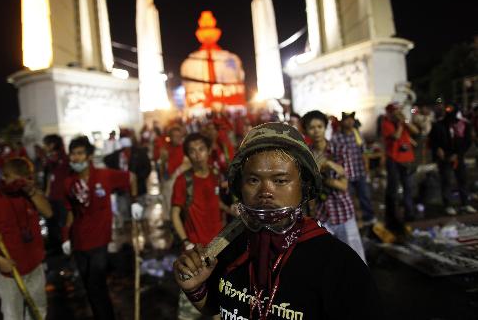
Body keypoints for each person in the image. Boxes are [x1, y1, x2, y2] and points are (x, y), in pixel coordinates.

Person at [173, 122, 382, 319]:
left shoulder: (337, 264)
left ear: (304, 187)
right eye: (253, 180)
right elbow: (221, 307)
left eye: (280, 180)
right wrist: (196, 289)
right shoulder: (229, 250)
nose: (265, 192)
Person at [62, 136, 142, 320]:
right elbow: (70, 212)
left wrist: (135, 202)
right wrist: (66, 236)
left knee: (96, 283)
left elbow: (131, 178)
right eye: (73, 154)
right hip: (79, 241)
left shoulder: (104, 175)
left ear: (89, 155)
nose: (76, 158)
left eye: (80, 153)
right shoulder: (68, 183)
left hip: (99, 239)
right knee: (88, 286)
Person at [0, 157, 53, 319]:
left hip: (35, 267)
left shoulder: (29, 194)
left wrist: (32, 192)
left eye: (26, 178)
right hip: (8, 273)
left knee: (38, 312)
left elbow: (48, 213)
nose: (21, 183)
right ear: (4, 177)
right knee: (14, 316)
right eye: (15, 179)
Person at [171, 132, 233, 320]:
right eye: (192, 151)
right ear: (187, 155)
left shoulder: (215, 175)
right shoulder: (183, 180)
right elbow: (174, 214)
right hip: (196, 251)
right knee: (190, 305)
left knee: (219, 301)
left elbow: (216, 203)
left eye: (201, 149)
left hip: (219, 247)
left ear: (208, 152)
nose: (197, 154)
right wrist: (186, 242)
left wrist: (231, 211)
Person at [303, 111, 366, 262]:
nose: (316, 130)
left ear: (325, 128)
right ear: (306, 130)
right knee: (330, 259)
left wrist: (326, 169)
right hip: (321, 214)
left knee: (355, 257)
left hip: (342, 211)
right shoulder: (306, 155)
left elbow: (344, 185)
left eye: (320, 126)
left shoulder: (339, 149)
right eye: (312, 128)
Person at [429, 103, 476, 215]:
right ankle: (448, 205)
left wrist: (458, 154)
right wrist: (437, 149)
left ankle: (465, 204)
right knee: (446, 181)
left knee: (463, 180)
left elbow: (467, 141)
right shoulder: (438, 125)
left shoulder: (464, 124)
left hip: (458, 156)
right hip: (444, 157)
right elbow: (432, 140)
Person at [332, 112, 376, 226]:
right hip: (346, 174)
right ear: (342, 122)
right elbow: (333, 155)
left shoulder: (357, 134)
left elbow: (364, 152)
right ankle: (352, 220)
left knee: (364, 196)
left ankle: (369, 218)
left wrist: (367, 167)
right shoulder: (336, 137)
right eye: (347, 119)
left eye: (351, 119)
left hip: (359, 170)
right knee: (348, 199)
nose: (350, 121)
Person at [381, 102, 419, 233]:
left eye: (399, 111)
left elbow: (416, 131)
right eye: (395, 112)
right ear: (390, 113)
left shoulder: (403, 121)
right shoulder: (386, 123)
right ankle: (392, 216)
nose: (398, 114)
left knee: (408, 187)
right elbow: (396, 136)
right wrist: (400, 125)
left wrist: (405, 121)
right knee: (393, 188)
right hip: (393, 159)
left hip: (407, 159)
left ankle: (410, 213)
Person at [103, 135, 151, 227]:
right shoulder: (116, 155)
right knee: (125, 217)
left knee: (141, 216)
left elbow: (147, 168)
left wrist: (138, 179)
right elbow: (107, 161)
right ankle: (128, 236)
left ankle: (144, 234)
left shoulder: (140, 153)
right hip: (122, 191)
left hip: (139, 190)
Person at [43, 134, 71, 255]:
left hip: (62, 197)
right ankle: (56, 247)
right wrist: (47, 193)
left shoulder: (64, 159)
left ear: (53, 145)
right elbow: (49, 177)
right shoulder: (50, 160)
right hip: (52, 197)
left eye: (46, 144)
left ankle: (65, 245)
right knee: (52, 223)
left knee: (63, 223)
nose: (45, 147)